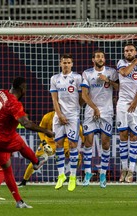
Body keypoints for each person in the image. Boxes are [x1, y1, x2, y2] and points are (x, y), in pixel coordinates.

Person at [0, 77, 54, 208]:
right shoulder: (14, 104)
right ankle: (36, 162)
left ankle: (19, 201)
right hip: (2, 138)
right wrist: (46, 131)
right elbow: (26, 123)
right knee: (19, 142)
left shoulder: (0, 93)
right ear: (22, 89)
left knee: (7, 169)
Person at [81, 50, 119, 188]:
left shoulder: (112, 72)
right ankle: (87, 173)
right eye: (97, 56)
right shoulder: (86, 73)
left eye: (102, 56)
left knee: (106, 143)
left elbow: (119, 87)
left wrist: (108, 80)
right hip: (91, 111)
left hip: (107, 112)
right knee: (88, 142)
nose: (100, 58)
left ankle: (103, 174)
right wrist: (95, 108)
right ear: (93, 59)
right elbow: (84, 95)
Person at [18, 110, 84, 187]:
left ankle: (73, 177)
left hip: (65, 142)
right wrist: (43, 142)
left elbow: (78, 128)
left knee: (77, 157)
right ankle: (24, 181)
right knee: (36, 160)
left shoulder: (68, 116)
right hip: (49, 142)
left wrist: (83, 140)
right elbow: (40, 130)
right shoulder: (47, 117)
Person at [50, 54, 83, 192]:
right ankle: (61, 175)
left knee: (72, 144)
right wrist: (59, 114)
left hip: (72, 116)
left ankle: (73, 177)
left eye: (68, 62)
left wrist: (75, 110)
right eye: (64, 62)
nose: (66, 65)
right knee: (58, 144)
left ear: (72, 64)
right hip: (59, 116)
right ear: (60, 64)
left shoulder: (77, 78)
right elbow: (54, 99)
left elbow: (81, 97)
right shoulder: (54, 79)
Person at [116, 43, 137, 183]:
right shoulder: (121, 63)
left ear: (136, 51)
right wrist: (135, 62)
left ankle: (131, 170)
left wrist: (135, 101)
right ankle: (123, 169)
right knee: (123, 135)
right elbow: (124, 73)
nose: (128, 52)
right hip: (122, 103)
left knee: (134, 136)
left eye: (131, 50)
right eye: (126, 51)